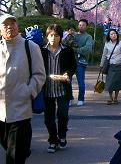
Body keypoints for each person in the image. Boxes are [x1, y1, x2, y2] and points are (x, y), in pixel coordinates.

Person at [0, 14, 46, 164]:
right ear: (0, 29)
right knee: (8, 147)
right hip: (1, 112)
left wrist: (28, 91)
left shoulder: (30, 47)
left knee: (15, 156)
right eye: (5, 25)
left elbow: (40, 75)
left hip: (20, 110)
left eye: (12, 23)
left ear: (17, 26)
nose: (9, 27)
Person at [40, 24, 77, 153]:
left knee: (62, 115)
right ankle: (52, 140)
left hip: (62, 88)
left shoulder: (67, 50)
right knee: (48, 118)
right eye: (51, 35)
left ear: (60, 37)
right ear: (47, 36)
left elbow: (73, 66)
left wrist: (68, 74)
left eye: (56, 35)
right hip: (47, 89)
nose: (53, 38)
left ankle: (62, 136)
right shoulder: (41, 50)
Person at [99, 29, 121, 105]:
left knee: (117, 83)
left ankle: (116, 98)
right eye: (111, 34)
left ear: (117, 34)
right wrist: (101, 64)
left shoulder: (120, 43)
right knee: (110, 82)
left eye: (114, 33)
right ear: (109, 36)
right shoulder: (107, 44)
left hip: (118, 65)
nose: (113, 35)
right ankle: (110, 97)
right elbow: (104, 55)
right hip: (110, 66)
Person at [71, 19, 93, 106]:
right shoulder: (73, 35)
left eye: (83, 25)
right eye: (80, 25)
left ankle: (81, 99)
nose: (81, 26)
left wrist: (76, 50)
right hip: (71, 61)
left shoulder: (88, 37)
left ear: (86, 26)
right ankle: (70, 98)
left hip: (81, 62)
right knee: (67, 81)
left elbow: (87, 49)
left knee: (80, 81)